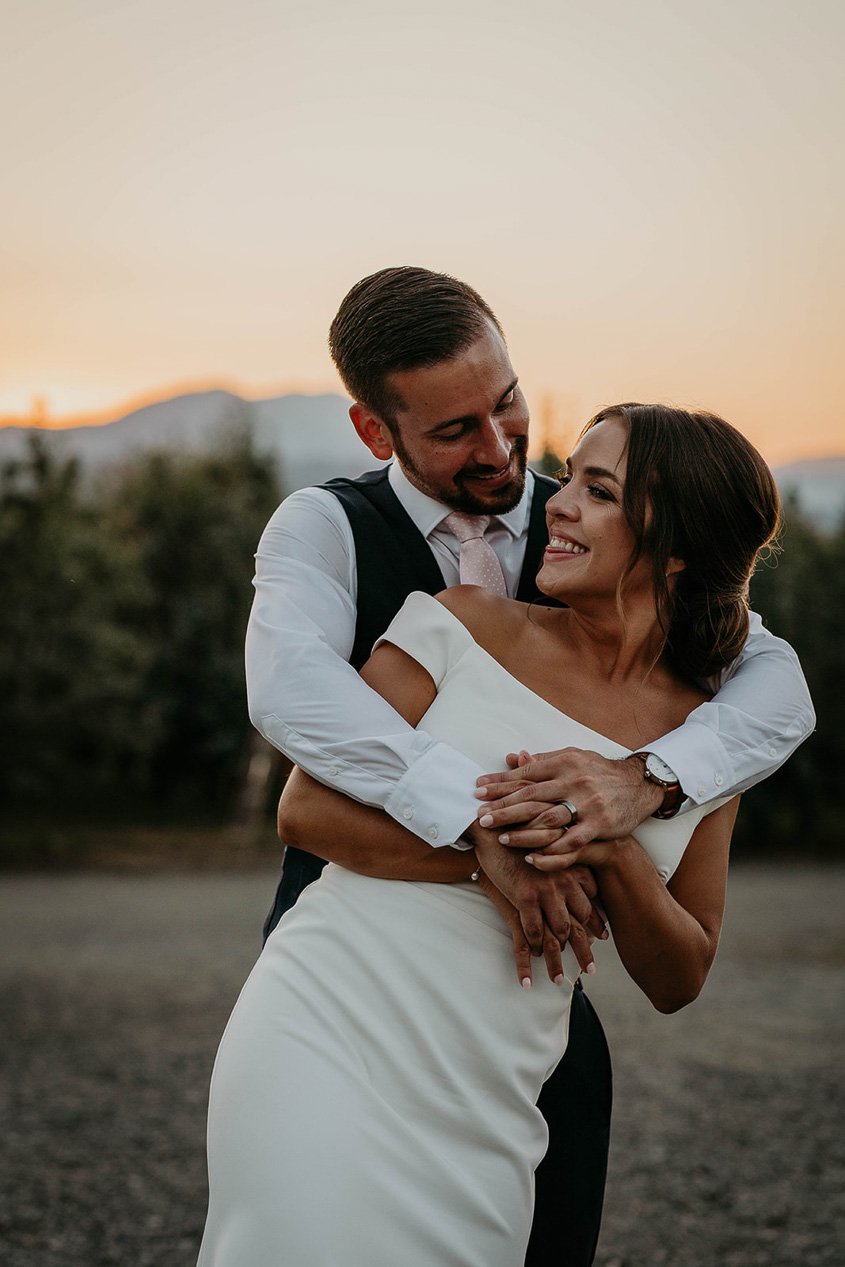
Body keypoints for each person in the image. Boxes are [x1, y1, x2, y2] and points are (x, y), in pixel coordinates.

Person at [241, 268, 814, 1267]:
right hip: (351, 967)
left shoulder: (595, 536)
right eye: (456, 429)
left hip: (529, 1015)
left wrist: (641, 785)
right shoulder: (329, 531)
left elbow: (773, 685)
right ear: (378, 434)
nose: (502, 448)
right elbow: (292, 703)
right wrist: (483, 839)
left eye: (506, 404)